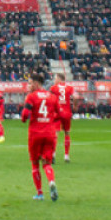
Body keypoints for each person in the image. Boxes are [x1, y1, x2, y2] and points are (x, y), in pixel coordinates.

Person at [21, 73, 61, 202]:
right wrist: (48, 119)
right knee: (47, 163)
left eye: (30, 83)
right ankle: (51, 182)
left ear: (37, 84)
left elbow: (24, 116)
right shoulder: (52, 97)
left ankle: (39, 193)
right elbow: (59, 113)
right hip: (50, 134)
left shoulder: (31, 97)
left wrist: (28, 115)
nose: (29, 85)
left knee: (35, 164)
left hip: (35, 134)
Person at [50, 74, 75, 163]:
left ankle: (53, 155)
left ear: (60, 79)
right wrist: (74, 106)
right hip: (67, 113)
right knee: (67, 133)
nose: (54, 80)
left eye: (55, 78)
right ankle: (66, 156)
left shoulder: (53, 88)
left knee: (55, 134)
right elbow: (75, 97)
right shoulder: (69, 87)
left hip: (57, 113)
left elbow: (50, 98)